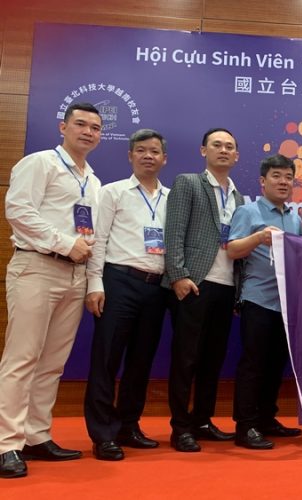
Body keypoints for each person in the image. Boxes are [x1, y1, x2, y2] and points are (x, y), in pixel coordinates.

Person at [1, 102, 102, 479]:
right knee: (22, 358)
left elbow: (91, 234)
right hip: (37, 267)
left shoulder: (93, 181)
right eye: (81, 124)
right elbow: (18, 211)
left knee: (52, 363)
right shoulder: (40, 163)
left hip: (75, 275)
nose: (88, 132)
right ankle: (6, 443)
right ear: (63, 127)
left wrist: (91, 278)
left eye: (95, 127)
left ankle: (36, 435)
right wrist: (64, 243)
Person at [83, 129, 170, 461]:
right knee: (106, 359)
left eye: (154, 151)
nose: (148, 156)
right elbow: (99, 239)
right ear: (130, 155)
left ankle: (128, 426)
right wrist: (95, 283)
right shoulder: (113, 192)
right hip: (118, 281)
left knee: (141, 360)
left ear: (164, 159)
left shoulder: (172, 198)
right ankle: (103, 434)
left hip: (156, 287)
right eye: (141, 150)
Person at [163, 128, 244, 452]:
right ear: (203, 151)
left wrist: (238, 291)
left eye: (229, 147)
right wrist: (178, 275)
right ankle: (180, 427)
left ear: (236, 155)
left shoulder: (238, 197)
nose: (223, 150)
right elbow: (173, 232)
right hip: (194, 283)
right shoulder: (188, 183)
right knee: (186, 359)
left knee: (213, 359)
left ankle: (202, 420)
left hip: (226, 287)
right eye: (217, 145)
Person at [227, 154, 302, 450]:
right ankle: (245, 426)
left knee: (275, 365)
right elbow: (232, 249)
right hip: (257, 299)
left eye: (288, 177)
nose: (283, 182)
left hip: (285, 304)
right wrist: (259, 237)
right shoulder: (248, 212)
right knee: (254, 364)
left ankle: (266, 419)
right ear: (263, 181)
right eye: (277, 176)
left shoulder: (295, 219)